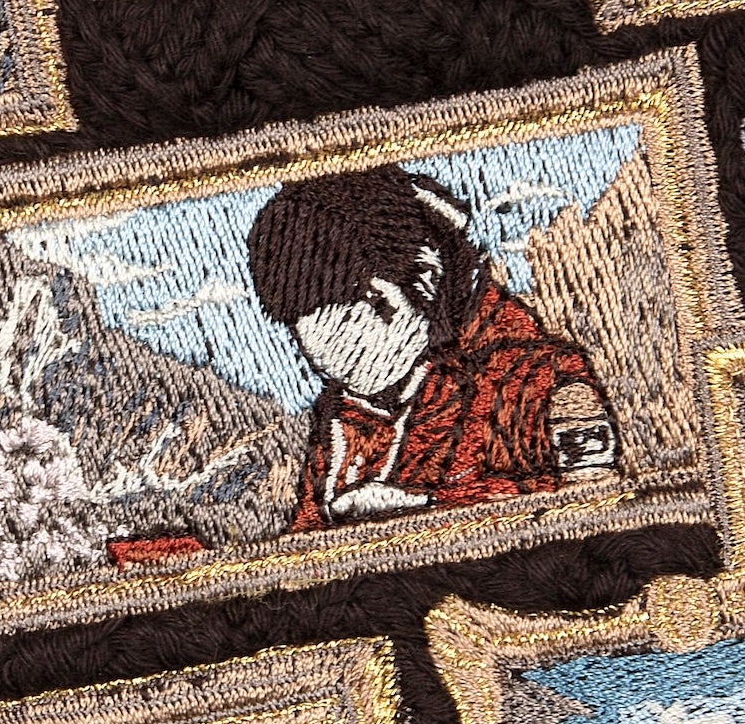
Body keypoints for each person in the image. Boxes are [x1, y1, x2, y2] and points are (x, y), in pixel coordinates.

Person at [244, 167, 621, 528]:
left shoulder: (538, 384)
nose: (335, 367)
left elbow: (592, 509)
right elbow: (307, 534)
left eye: (351, 324)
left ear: (426, 276)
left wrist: (428, 509)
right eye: (308, 341)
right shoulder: (343, 413)